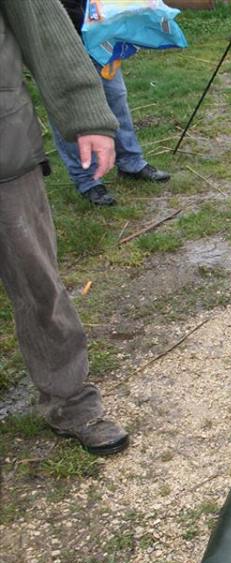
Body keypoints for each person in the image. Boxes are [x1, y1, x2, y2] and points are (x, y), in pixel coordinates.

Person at [0, 0, 129, 455]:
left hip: (4, 151)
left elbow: (47, 30)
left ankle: (70, 402)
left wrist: (86, 115)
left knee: (37, 283)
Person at [49, 0, 170, 207]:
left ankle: (131, 163)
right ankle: (87, 180)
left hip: (99, 32)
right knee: (68, 109)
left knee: (116, 96)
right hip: (57, 39)